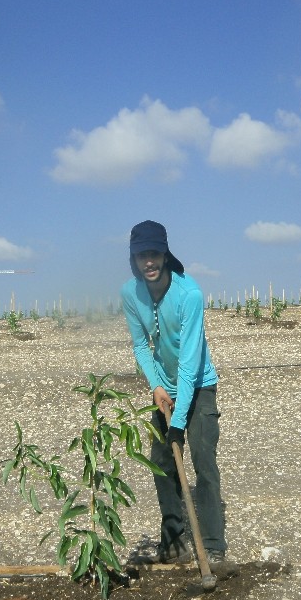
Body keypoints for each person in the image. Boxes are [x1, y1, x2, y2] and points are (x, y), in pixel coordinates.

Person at [121, 220, 232, 571]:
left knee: (203, 463)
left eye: (154, 253)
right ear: (134, 259)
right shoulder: (130, 294)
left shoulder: (190, 295)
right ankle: (173, 544)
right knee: (162, 465)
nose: (148, 262)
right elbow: (141, 346)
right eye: (141, 256)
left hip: (198, 386)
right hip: (163, 388)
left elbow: (189, 362)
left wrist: (179, 421)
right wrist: (156, 386)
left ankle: (213, 546)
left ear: (165, 255)